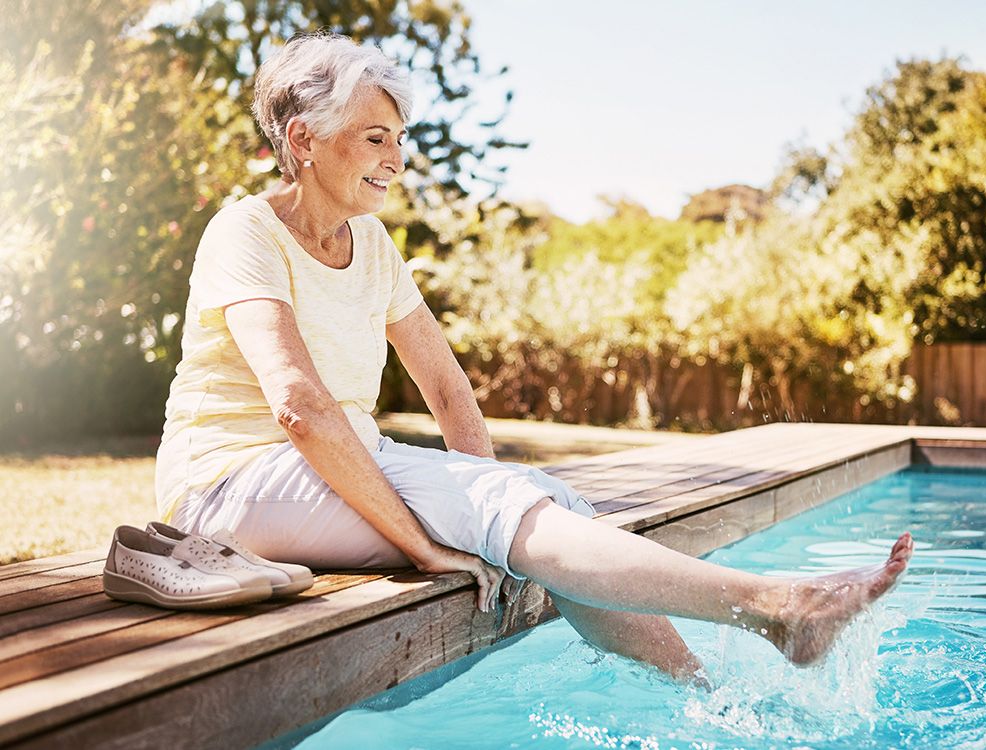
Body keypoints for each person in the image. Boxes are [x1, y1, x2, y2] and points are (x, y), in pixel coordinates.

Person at [154, 30, 913, 685]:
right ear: (304, 141)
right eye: (376, 137)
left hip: (337, 467)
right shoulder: (245, 231)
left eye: (401, 136)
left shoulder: (373, 246)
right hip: (227, 488)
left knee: (550, 507)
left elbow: (448, 387)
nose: (397, 158)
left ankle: (704, 694)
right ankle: (780, 610)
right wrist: (428, 545)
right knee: (505, 515)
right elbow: (299, 405)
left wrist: (488, 491)